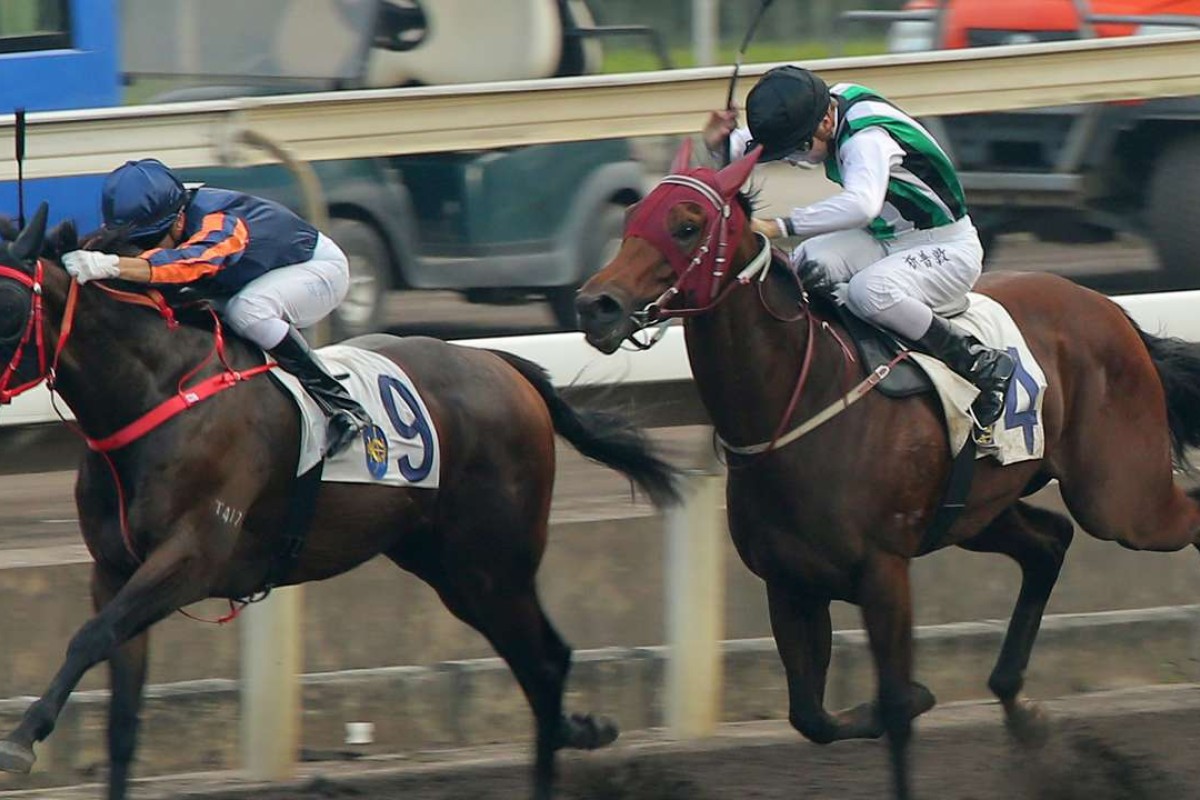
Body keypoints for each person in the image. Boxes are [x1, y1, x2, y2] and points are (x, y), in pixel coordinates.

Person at [703, 65, 1015, 430]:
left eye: (797, 149)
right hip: (885, 236)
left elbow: (861, 205)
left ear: (823, 124)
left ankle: (979, 361)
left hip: (947, 248)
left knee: (870, 292)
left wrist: (778, 226)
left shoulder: (865, 139)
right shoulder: (824, 107)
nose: (792, 159)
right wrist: (718, 143)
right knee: (805, 261)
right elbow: (752, 145)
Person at [61, 158, 372, 457]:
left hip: (317, 270)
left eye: (152, 239)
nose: (146, 250)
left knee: (247, 311)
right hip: (252, 277)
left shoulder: (222, 221)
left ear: (179, 218)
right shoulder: (166, 215)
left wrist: (114, 266)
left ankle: (343, 406)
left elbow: (190, 264)